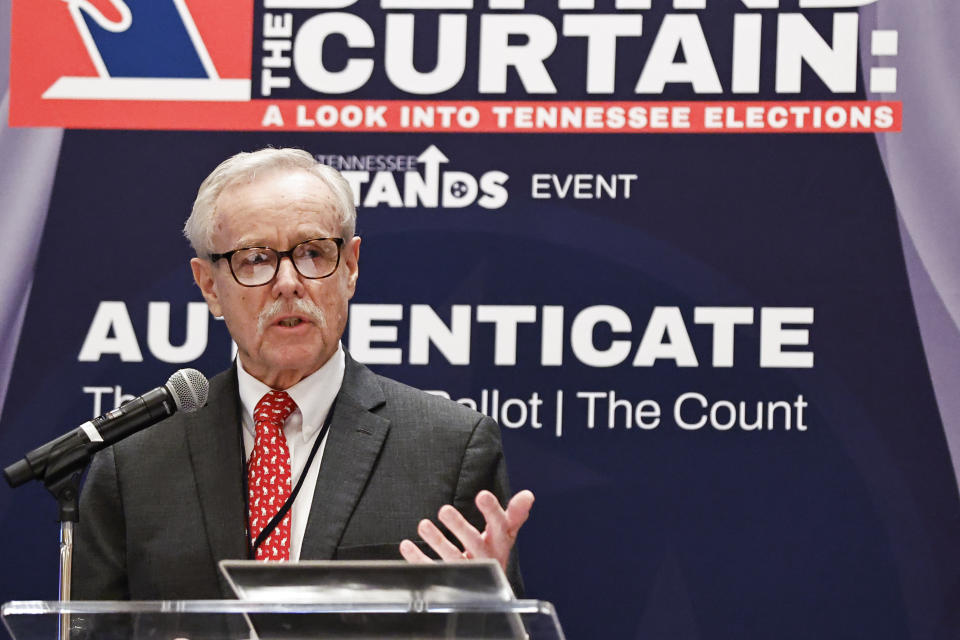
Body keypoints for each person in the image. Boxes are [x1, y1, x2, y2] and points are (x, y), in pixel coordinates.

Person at [72, 148, 533, 599]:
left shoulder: (449, 449)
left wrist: (488, 618)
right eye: (255, 259)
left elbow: (492, 628)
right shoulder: (133, 461)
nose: (289, 282)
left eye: (313, 253)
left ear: (350, 267)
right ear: (210, 286)